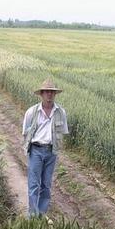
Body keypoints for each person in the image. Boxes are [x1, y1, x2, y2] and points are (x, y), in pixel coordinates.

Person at [22, 79, 69, 220]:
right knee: (34, 185)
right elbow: (25, 132)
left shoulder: (60, 112)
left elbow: (63, 132)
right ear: (41, 94)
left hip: (51, 151)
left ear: (55, 94)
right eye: (47, 92)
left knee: (46, 185)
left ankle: (41, 215)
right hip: (36, 150)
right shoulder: (31, 112)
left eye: (52, 92)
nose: (49, 94)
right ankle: (32, 217)